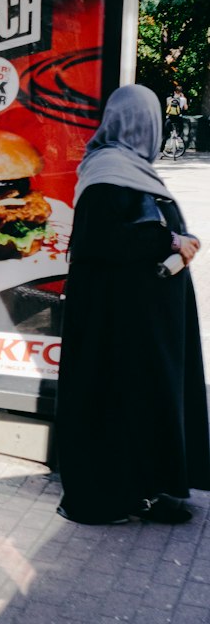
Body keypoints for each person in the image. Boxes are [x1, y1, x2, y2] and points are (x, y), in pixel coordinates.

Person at [56, 84, 209, 525]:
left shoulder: (128, 169)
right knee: (120, 401)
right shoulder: (108, 172)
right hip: (118, 325)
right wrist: (169, 240)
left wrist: (178, 242)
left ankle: (148, 489)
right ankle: (115, 496)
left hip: (140, 322)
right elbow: (101, 242)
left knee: (142, 400)